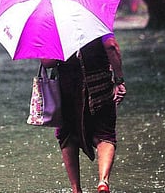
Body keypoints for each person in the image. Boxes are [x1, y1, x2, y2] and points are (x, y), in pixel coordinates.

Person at [41, 33, 126, 193]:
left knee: (67, 135)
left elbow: (47, 62)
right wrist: (119, 79)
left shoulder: (54, 26)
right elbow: (111, 46)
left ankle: (76, 189)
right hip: (100, 84)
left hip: (68, 87)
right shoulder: (95, 18)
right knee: (105, 134)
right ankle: (103, 182)